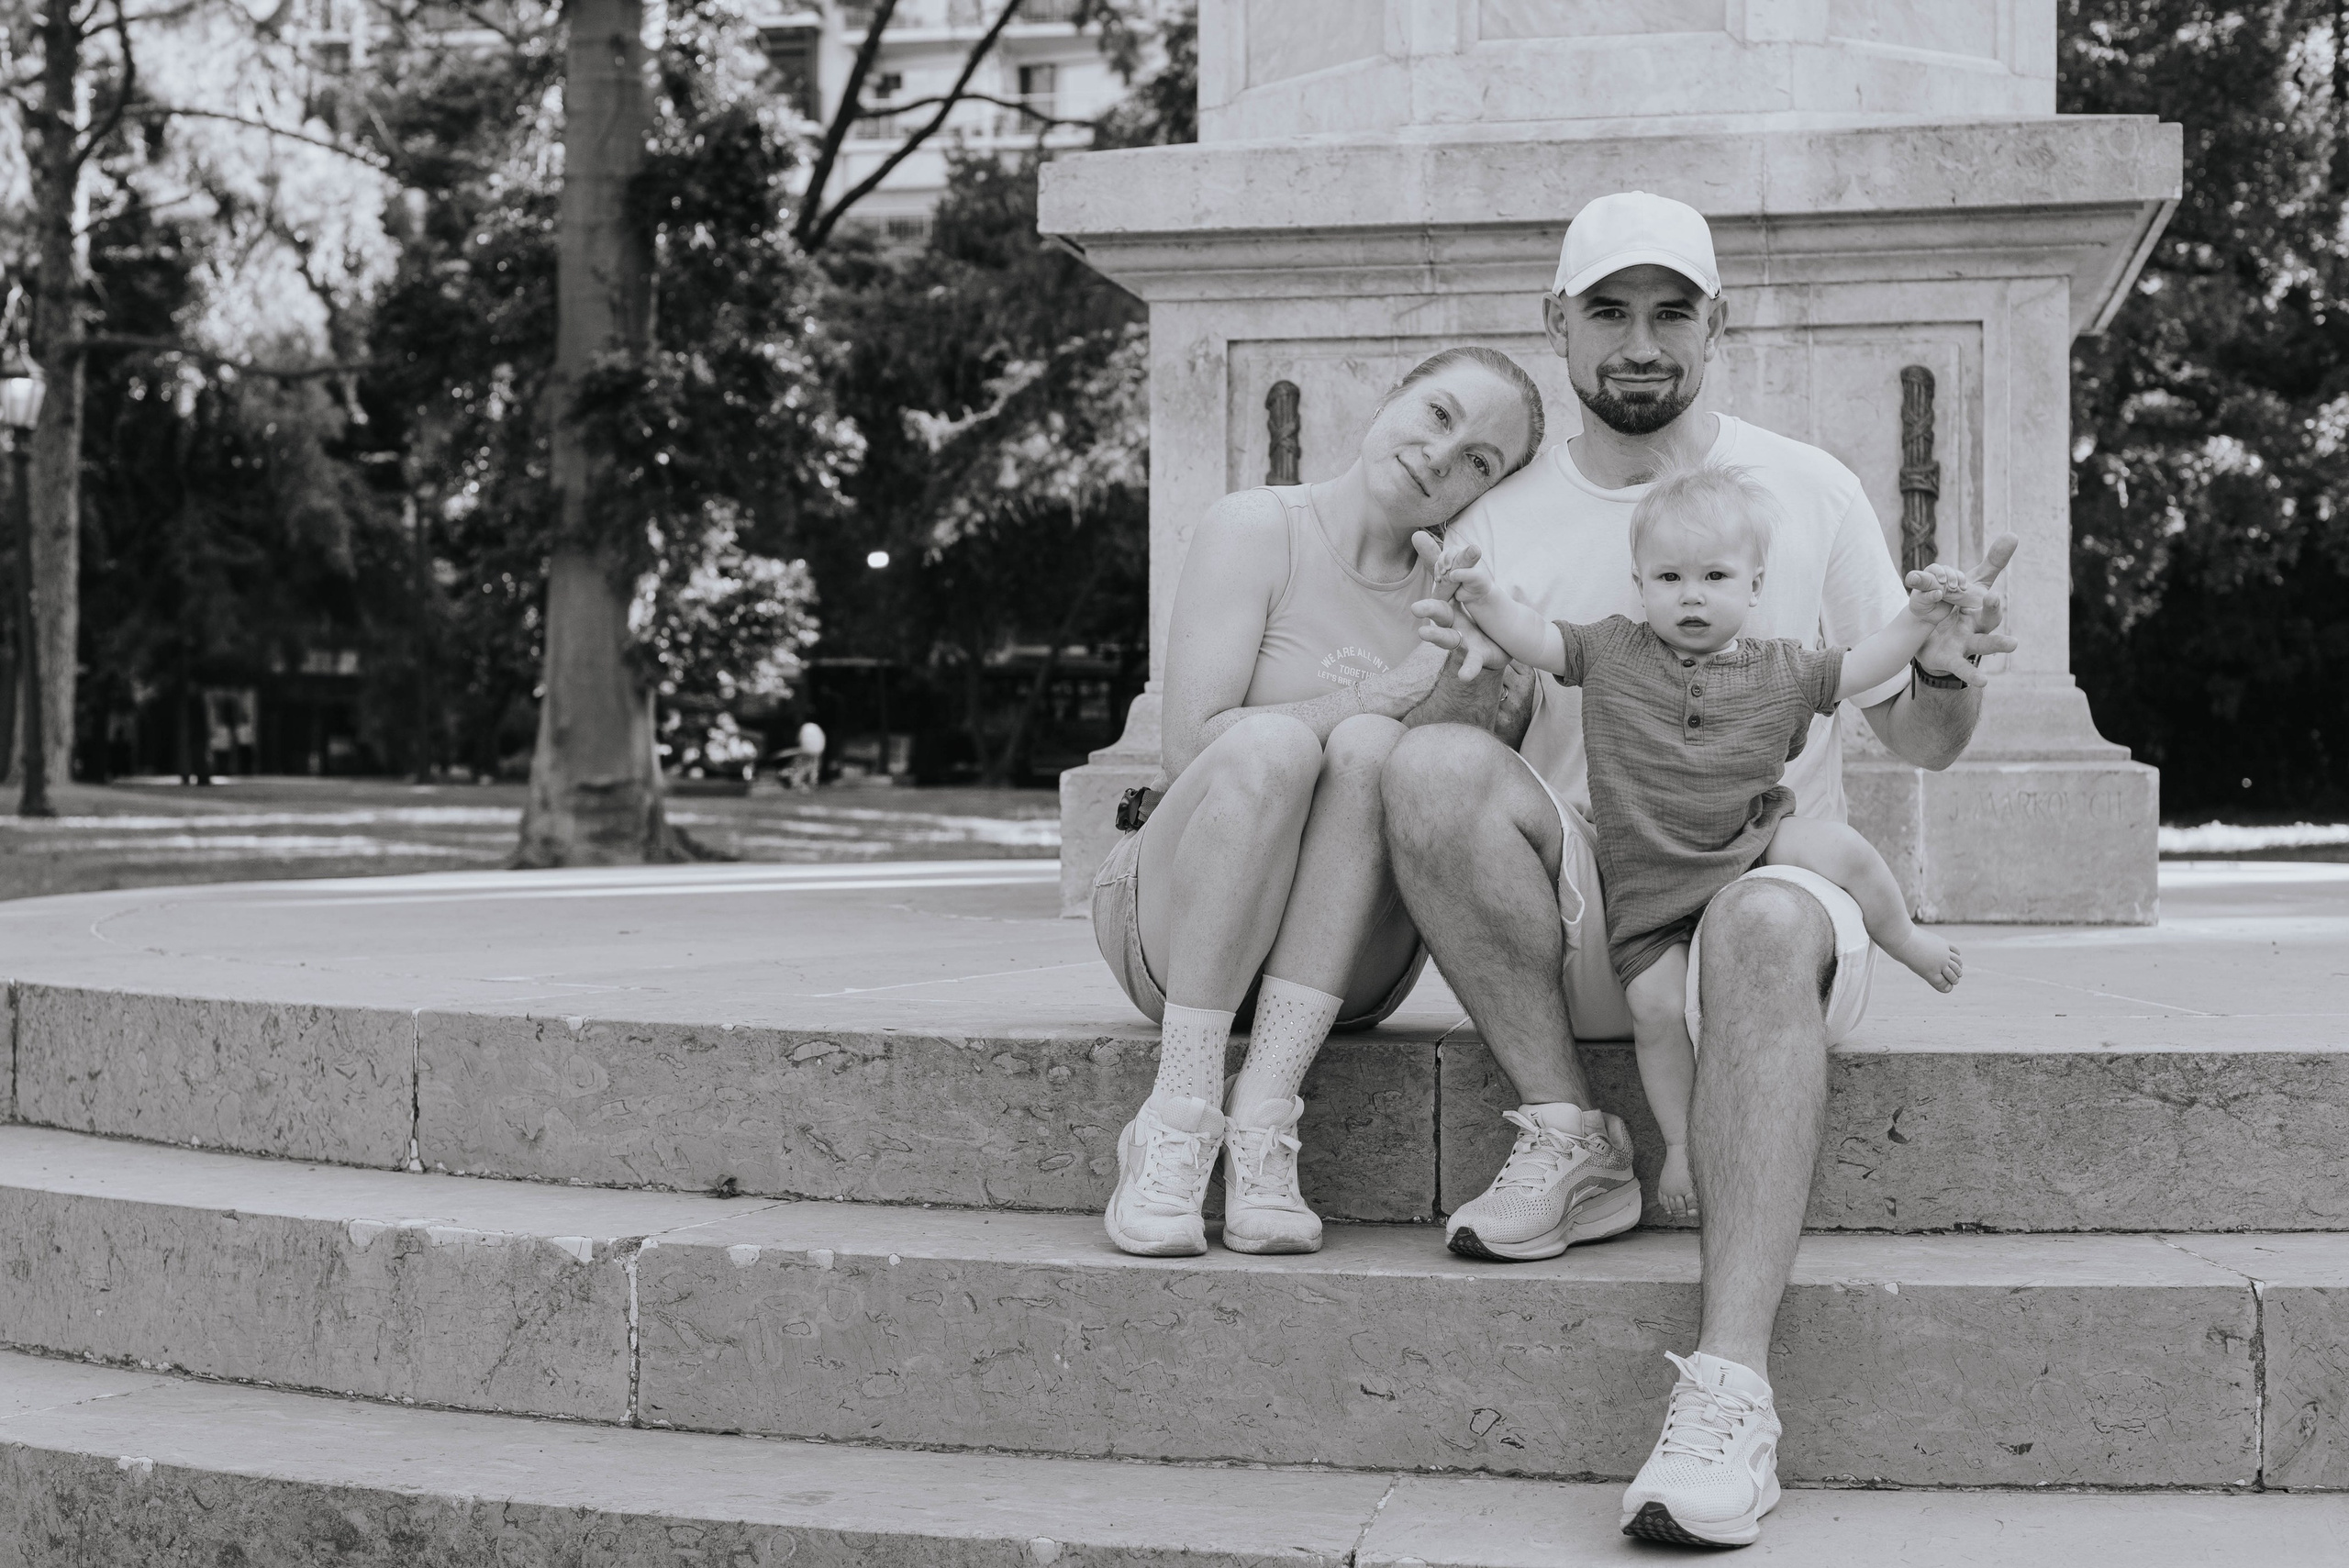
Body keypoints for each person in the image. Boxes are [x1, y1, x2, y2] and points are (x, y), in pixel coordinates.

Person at [1380, 191, 2017, 1549]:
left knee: (1762, 921)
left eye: (1671, 311)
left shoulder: (1808, 487)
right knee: (1423, 767)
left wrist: (1950, 663)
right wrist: (1463, 681)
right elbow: (1464, 748)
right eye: (1607, 310)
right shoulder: (1503, 516)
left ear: (1717, 321)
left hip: (1766, 913)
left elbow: (1920, 735)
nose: (1639, 341)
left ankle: (1729, 1392)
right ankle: (1570, 1134)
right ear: (1556, 322)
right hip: (1599, 915)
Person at [1418, 462, 1989, 1220]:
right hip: (1647, 894)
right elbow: (1535, 635)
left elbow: (1868, 663)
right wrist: (1482, 592)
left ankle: (1905, 937)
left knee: (1841, 849)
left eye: (1715, 576)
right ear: (1639, 583)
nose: (1691, 594)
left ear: (1755, 586)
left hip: (1751, 849)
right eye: (1670, 577)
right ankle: (1682, 1143)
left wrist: (1918, 619)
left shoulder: (1785, 666)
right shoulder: (1610, 650)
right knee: (1655, 1011)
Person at [1094, 346, 1547, 1260]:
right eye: (1438, 414)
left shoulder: (1467, 598)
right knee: (1274, 744)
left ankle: (1265, 1118)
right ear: (1391, 396)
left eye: (1478, 461)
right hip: (1175, 927)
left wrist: (1467, 677)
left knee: (1378, 751)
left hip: (1346, 963)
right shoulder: (1256, 526)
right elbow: (1190, 747)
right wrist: (1384, 689)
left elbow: (1437, 813)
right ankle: (1176, 1113)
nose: (1440, 456)